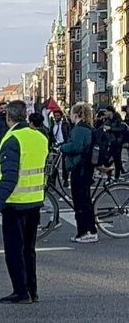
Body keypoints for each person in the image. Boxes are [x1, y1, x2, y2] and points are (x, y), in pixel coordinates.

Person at [0, 100, 48, 304]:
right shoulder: (39, 136)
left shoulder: (12, 139)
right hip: (35, 200)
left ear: (8, 117)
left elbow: (9, 177)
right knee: (29, 249)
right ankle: (32, 290)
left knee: (14, 249)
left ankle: (21, 291)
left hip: (15, 202)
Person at [60, 102, 100, 243]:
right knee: (83, 200)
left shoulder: (79, 129)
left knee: (81, 201)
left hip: (80, 167)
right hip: (84, 167)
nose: (70, 116)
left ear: (76, 114)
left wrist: (63, 148)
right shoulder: (86, 128)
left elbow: (76, 146)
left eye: (71, 113)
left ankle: (88, 231)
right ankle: (84, 231)